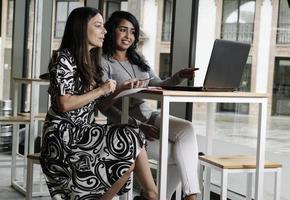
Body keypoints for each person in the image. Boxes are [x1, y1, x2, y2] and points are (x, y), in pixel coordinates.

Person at [39, 7, 157, 200]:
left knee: (128, 158)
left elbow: (100, 104)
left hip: (84, 131)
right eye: (98, 26)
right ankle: (153, 195)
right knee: (130, 135)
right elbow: (64, 104)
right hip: (63, 135)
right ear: (81, 29)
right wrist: (100, 89)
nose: (105, 31)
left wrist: (118, 90)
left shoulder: (91, 61)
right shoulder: (63, 59)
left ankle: (152, 195)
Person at [99, 11, 200, 200]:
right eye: (123, 30)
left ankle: (190, 196)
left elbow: (158, 84)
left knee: (187, 129)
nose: (128, 36)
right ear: (112, 31)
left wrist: (179, 76)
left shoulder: (138, 58)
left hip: (150, 116)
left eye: (132, 31)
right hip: (124, 127)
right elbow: (103, 106)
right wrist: (137, 126)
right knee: (180, 157)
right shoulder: (103, 62)